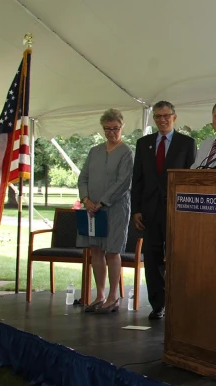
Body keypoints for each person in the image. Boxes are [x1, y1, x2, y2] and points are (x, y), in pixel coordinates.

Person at [131, 101, 197, 319]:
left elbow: (191, 178)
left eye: (166, 115)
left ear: (174, 117)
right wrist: (137, 209)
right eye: (158, 116)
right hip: (149, 210)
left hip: (177, 209)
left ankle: (180, 301)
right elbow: (137, 179)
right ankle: (158, 304)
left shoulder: (187, 143)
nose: (162, 119)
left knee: (179, 256)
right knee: (152, 256)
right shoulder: (143, 144)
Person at [77, 109, 134, 314]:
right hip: (92, 210)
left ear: (122, 127)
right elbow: (82, 178)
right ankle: (100, 295)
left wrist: (101, 202)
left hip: (116, 209)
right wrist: (86, 200)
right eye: (107, 129)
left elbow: (123, 183)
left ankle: (113, 296)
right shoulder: (95, 151)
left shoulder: (126, 152)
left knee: (112, 251)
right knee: (96, 250)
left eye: (115, 128)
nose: (111, 132)